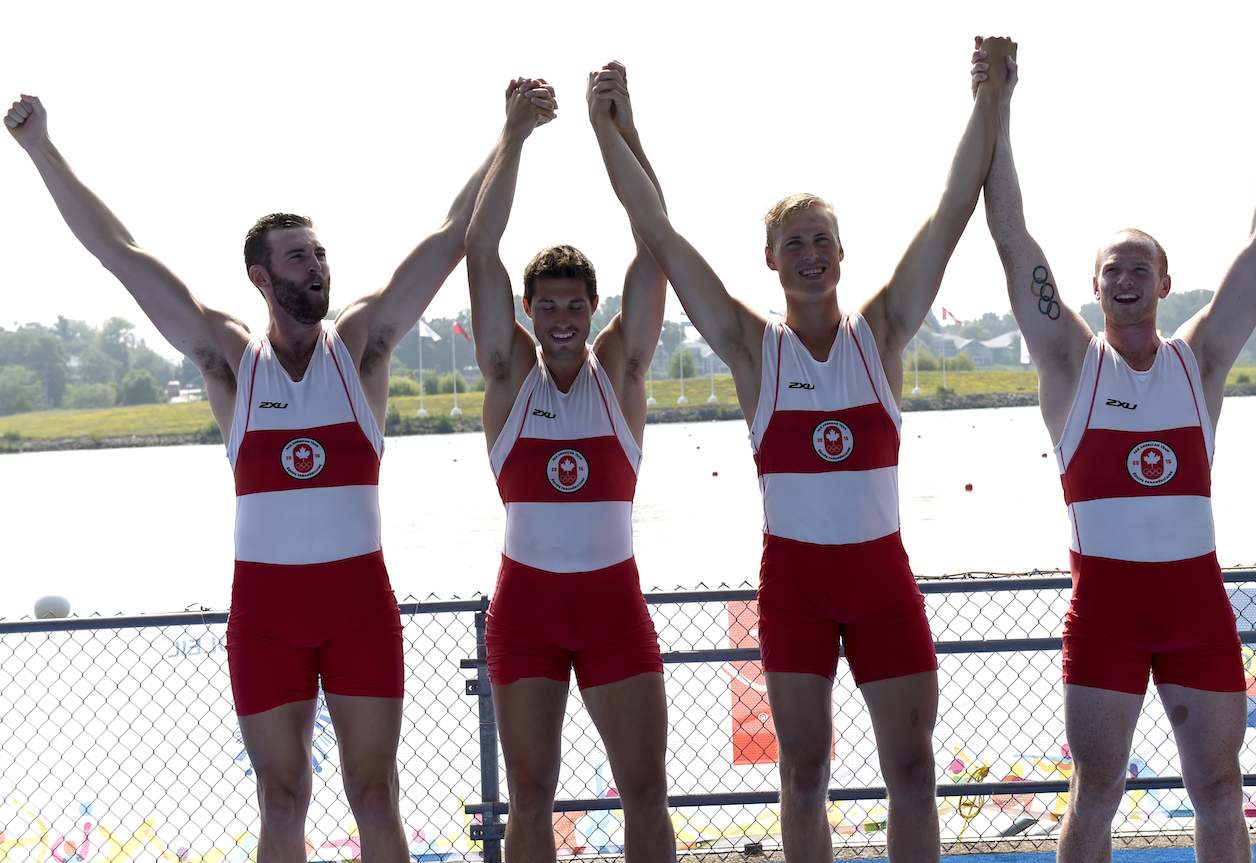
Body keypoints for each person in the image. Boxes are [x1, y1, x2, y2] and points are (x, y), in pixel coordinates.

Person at [4, 85, 538, 863]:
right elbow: (117, 252)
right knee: (282, 800)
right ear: (262, 275)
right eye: (299, 256)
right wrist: (41, 149)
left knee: (375, 794)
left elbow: (455, 234)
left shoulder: (362, 345)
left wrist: (510, 133)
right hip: (265, 616)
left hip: (358, 607)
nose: (317, 266)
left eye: (321, 254)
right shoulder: (227, 358)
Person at [589, 40, 1012, 861]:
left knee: (914, 768)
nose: (811, 255)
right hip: (796, 587)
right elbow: (662, 237)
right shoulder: (755, 352)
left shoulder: (883, 331)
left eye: (823, 241)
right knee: (805, 772)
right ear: (772, 261)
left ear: (843, 253)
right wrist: (618, 128)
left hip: (882, 580)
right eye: (795, 245)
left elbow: (953, 207)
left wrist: (989, 94)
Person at [980, 33, 1256, 863]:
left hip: (1197, 610)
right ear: (1092, 287)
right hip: (1105, 615)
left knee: (1219, 791)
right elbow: (1012, 236)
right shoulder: (1069, 365)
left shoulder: (1198, 362)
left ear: (1165, 283)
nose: (1124, 277)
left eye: (1141, 266)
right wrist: (999, 105)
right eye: (1110, 268)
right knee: (1095, 791)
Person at [464, 72, 674, 863]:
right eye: (545, 307)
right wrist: (513, 135)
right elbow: (479, 248)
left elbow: (657, 243)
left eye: (572, 306)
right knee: (530, 798)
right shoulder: (507, 377)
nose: (558, 320)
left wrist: (618, 128)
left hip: (613, 606)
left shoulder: (619, 373)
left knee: (646, 792)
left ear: (594, 311)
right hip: (527, 612)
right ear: (528, 314)